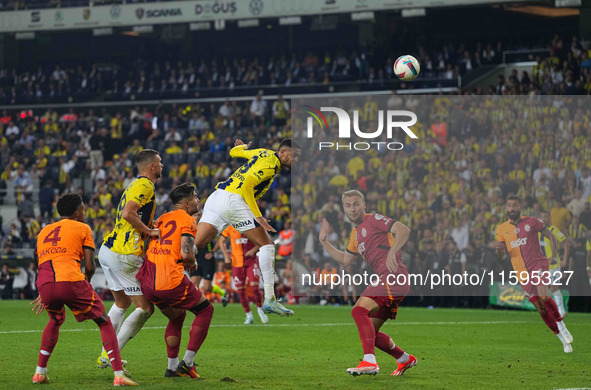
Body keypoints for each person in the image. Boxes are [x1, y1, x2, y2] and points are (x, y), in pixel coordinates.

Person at [31, 193, 136, 386]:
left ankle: (40, 372)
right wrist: (84, 284)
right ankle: (119, 375)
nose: (85, 214)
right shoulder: (83, 227)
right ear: (78, 212)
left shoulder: (44, 231)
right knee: (104, 322)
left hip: (45, 283)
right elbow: (89, 266)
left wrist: (44, 290)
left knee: (55, 319)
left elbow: (41, 262)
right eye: (84, 210)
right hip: (71, 281)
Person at [194, 138, 301, 317]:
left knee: (196, 246)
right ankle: (270, 299)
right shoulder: (271, 164)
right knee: (267, 245)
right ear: (282, 153)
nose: (296, 160)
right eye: (294, 155)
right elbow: (248, 187)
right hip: (233, 200)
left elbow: (233, 152)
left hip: (217, 197)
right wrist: (258, 216)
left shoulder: (262, 152)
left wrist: (242, 147)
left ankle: (166, 274)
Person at [319, 190, 417, 377]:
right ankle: (405, 359)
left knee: (358, 310)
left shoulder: (373, 220)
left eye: (356, 204)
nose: (353, 209)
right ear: (344, 209)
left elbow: (403, 230)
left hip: (393, 275)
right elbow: (345, 260)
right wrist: (324, 241)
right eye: (348, 205)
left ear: (364, 204)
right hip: (389, 278)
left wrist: (392, 251)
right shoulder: (355, 234)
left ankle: (370, 362)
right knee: (371, 332)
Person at [136, 183, 214, 379]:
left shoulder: (162, 218)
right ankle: (187, 363)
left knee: (177, 316)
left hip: (147, 281)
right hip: (169, 279)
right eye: (196, 198)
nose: (198, 201)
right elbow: (186, 253)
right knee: (205, 310)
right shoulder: (187, 220)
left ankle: (171, 368)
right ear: (187, 204)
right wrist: (193, 262)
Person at [96, 149, 163, 368]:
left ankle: (105, 353)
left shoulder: (134, 184)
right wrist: (150, 232)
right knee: (145, 309)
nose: (162, 166)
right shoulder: (146, 185)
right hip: (124, 254)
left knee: (121, 302)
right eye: (160, 162)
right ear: (152, 166)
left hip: (108, 249)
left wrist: (149, 227)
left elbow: (129, 215)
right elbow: (128, 214)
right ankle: (109, 355)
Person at [495, 195, 574, 353]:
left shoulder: (532, 222)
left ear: (520, 206)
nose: (512, 208)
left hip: (538, 264)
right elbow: (502, 255)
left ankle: (561, 325)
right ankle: (563, 340)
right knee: (540, 308)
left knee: (545, 296)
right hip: (522, 274)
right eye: (509, 206)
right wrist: (498, 250)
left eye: (515, 205)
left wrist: (553, 256)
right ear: (506, 208)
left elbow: (551, 236)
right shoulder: (502, 229)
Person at [218, 225, 269, 325]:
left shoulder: (251, 226)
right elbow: (221, 241)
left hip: (251, 261)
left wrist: (253, 250)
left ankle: (260, 310)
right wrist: (226, 256)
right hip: (237, 263)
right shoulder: (230, 227)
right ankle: (248, 315)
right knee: (241, 290)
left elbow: (263, 241)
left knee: (255, 287)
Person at [190, 210, 228, 305]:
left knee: (207, 287)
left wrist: (212, 252)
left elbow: (220, 239)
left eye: (199, 215)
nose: (197, 217)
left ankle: (222, 292)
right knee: (194, 284)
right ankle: (197, 306)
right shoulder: (188, 226)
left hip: (207, 259)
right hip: (195, 258)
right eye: (195, 214)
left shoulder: (207, 227)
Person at [538, 210, 570, 318]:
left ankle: (561, 311)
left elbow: (565, 243)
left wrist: (564, 258)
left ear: (549, 218)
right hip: (542, 266)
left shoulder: (554, 230)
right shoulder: (538, 232)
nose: (544, 218)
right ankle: (552, 310)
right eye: (542, 216)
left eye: (546, 216)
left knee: (554, 288)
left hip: (554, 265)